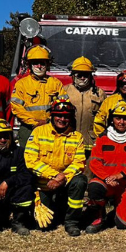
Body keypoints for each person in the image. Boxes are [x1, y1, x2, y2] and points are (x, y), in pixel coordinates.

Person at [24, 97, 87, 236]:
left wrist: (61, 178)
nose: (62, 119)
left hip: (64, 183)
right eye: (58, 115)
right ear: (52, 115)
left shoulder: (77, 137)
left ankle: (72, 222)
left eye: (66, 116)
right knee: (45, 226)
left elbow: (79, 163)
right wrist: (54, 175)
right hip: (43, 185)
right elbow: (30, 160)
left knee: (80, 181)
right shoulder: (38, 132)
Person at [86, 101, 126, 233]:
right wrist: (107, 177)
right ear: (112, 119)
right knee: (95, 186)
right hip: (107, 182)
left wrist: (121, 175)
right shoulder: (103, 137)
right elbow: (95, 162)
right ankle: (99, 216)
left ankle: (117, 213)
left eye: (125, 118)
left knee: (123, 224)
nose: (121, 122)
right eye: (118, 118)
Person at [11, 45, 66, 147]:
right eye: (36, 63)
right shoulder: (21, 84)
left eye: (42, 63)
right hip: (28, 129)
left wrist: (48, 121)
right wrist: (33, 123)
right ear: (30, 65)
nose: (39, 66)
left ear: (47, 64)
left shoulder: (56, 83)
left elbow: (63, 106)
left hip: (51, 127)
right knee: (26, 158)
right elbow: (16, 107)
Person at [62, 56, 107, 152]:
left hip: (91, 143)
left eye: (85, 75)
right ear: (73, 75)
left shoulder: (100, 93)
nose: (82, 78)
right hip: (67, 141)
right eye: (79, 75)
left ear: (91, 76)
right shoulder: (64, 91)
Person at [93, 70, 126, 138]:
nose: (125, 86)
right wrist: (104, 137)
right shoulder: (109, 101)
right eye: (122, 84)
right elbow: (99, 121)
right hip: (113, 139)